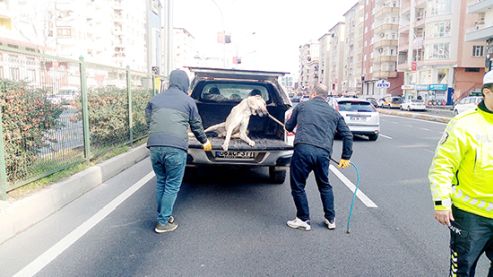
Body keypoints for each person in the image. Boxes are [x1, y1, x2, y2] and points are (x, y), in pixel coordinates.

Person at [428, 70, 493, 276]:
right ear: (487, 92)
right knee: (462, 271)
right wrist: (441, 203)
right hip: (470, 216)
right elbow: (443, 165)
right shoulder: (464, 124)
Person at [145, 69, 212, 234]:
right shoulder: (188, 102)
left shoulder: (155, 99)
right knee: (172, 185)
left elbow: (149, 119)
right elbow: (196, 125)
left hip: (154, 146)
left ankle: (164, 216)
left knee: (161, 181)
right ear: (185, 84)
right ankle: (162, 222)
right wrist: (205, 141)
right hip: (175, 147)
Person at [285, 85, 353, 231]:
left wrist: (290, 127)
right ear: (326, 97)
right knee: (324, 185)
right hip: (323, 154)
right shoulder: (334, 113)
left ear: (313, 94)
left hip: (303, 150)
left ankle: (303, 219)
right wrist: (345, 157)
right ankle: (330, 219)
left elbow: (289, 127)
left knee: (298, 186)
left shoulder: (302, 106)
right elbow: (347, 135)